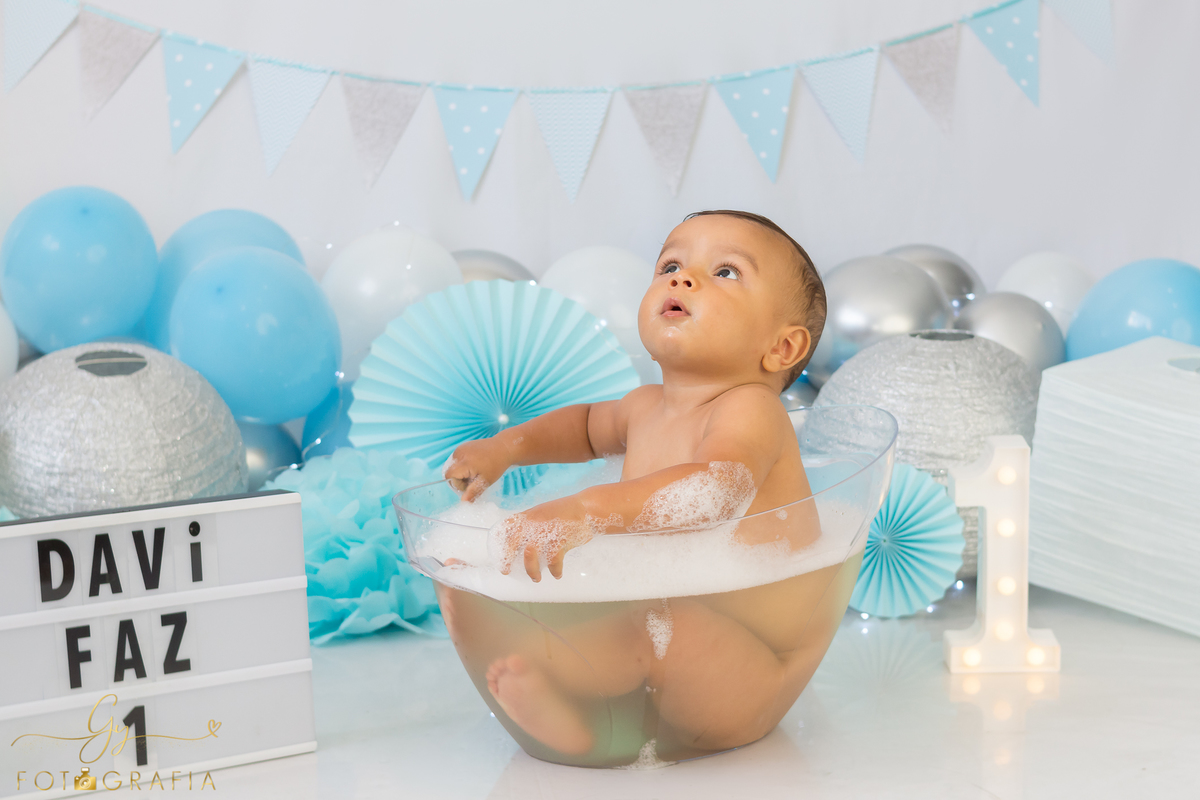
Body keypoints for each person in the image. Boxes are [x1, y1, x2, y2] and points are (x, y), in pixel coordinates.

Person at [442, 210, 829, 757]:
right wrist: (506, 449)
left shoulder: (751, 410)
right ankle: (560, 687)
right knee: (606, 603)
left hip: (751, 669)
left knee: (658, 621)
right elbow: (580, 428)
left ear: (782, 349)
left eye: (726, 272)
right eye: (671, 263)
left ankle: (570, 705)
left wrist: (586, 511)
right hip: (666, 652)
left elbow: (714, 490)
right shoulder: (645, 407)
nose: (683, 277)